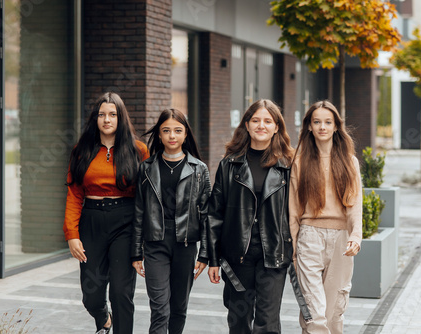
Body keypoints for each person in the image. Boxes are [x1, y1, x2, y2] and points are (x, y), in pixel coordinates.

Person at [64, 92, 149, 334]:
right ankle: (104, 319)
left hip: (125, 222)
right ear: (95, 119)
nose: (107, 119)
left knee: (122, 293)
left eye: (112, 114)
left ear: (121, 118)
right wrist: (72, 234)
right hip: (91, 222)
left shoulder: (138, 150)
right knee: (91, 295)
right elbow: (74, 194)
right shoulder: (81, 150)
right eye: (102, 114)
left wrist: (144, 236)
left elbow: (146, 196)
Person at [207, 99, 295, 333]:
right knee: (239, 319)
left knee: (267, 322)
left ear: (277, 127)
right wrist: (213, 258)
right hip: (238, 255)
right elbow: (215, 213)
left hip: (274, 252)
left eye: (268, 121)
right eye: (255, 120)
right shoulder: (229, 165)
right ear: (246, 125)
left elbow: (296, 212)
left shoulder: (289, 165)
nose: (261, 125)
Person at [131, 108, 211, 334]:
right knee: (160, 309)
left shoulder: (198, 169)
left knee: (178, 308)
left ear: (186, 134)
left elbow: (207, 214)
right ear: (159, 134)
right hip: (155, 243)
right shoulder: (147, 168)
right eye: (166, 131)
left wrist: (205, 253)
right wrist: (136, 252)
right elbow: (139, 211)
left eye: (178, 130)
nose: (172, 136)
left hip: (185, 245)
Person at [289, 100, 362, 334]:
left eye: (327, 122)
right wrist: (292, 246)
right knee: (315, 312)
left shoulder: (349, 162)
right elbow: (293, 209)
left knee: (333, 314)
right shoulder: (299, 161)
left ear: (336, 126)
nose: (322, 127)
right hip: (309, 237)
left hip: (342, 240)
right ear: (309, 126)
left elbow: (355, 204)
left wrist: (356, 236)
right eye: (317, 122)